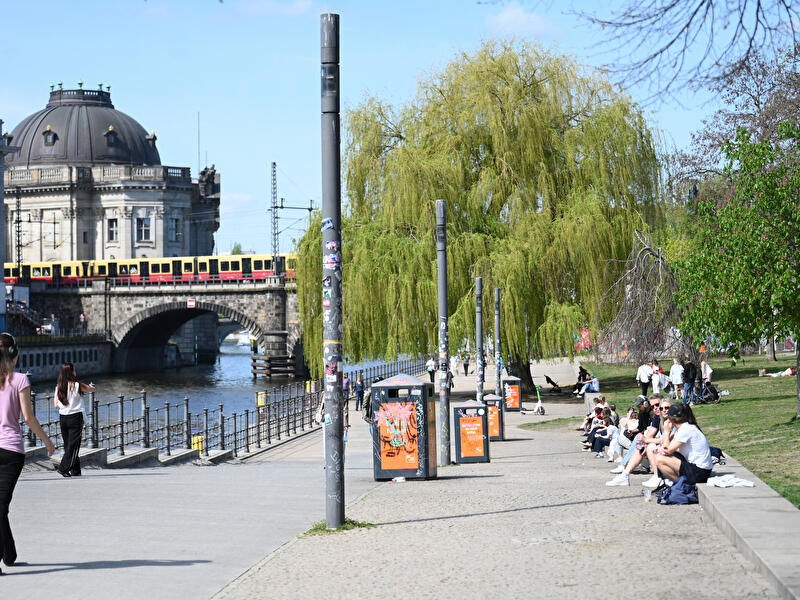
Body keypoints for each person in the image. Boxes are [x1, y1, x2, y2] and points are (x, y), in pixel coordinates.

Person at [0, 333, 55, 573]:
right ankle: (8, 553)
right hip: (12, 451)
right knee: (1, 507)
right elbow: (28, 418)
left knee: (0, 507)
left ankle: (8, 553)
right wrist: (47, 441)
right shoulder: (20, 380)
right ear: (16, 354)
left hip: (7, 451)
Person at [653, 403, 713, 485]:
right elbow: (668, 448)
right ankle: (677, 484)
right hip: (699, 469)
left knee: (659, 459)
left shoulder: (686, 429)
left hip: (700, 472)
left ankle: (680, 485)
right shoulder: (684, 428)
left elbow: (667, 450)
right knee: (662, 456)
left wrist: (667, 432)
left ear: (670, 420)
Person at [53, 363, 95, 477]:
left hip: (63, 418)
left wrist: (66, 403)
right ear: (71, 372)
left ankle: (76, 471)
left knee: (68, 444)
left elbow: (56, 405)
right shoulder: (77, 385)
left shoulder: (59, 387)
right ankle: (63, 468)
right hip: (75, 417)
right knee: (74, 445)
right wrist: (90, 386)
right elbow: (91, 389)